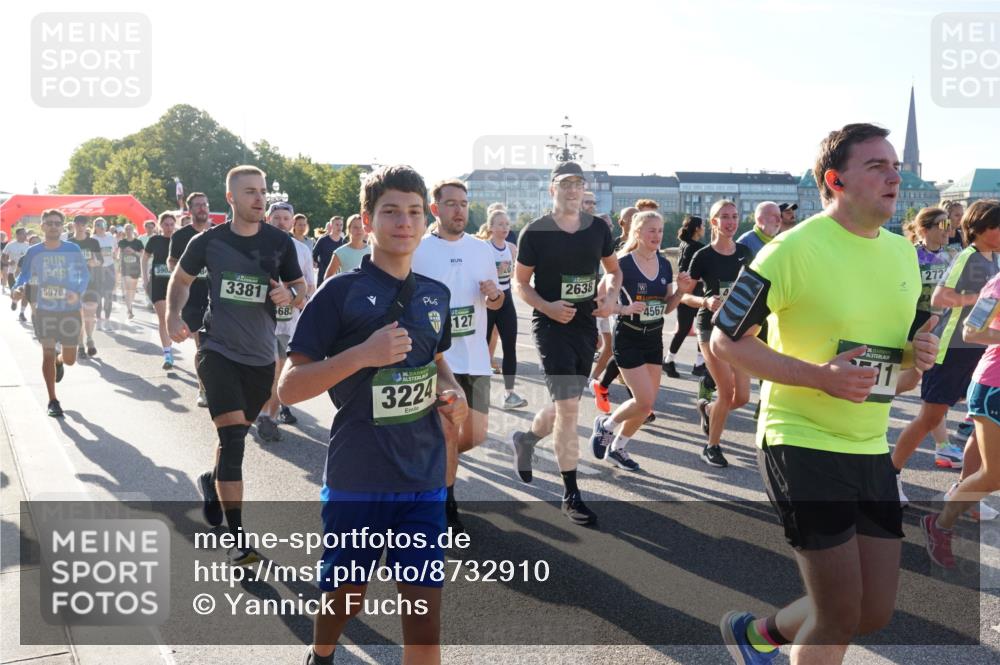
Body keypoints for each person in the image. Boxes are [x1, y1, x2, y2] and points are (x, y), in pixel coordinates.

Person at [711, 123, 939, 664]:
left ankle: (759, 636)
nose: (894, 175)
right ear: (836, 181)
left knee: (871, 612)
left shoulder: (903, 254)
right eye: (876, 166)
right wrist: (820, 376)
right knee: (837, 613)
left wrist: (916, 362)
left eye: (894, 165)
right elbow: (725, 339)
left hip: (868, 446)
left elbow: (898, 376)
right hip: (801, 440)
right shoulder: (790, 249)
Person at [277, 165, 467, 665]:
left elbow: (436, 362)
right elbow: (290, 388)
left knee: (425, 619)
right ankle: (321, 654)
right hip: (358, 475)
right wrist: (363, 354)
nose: (403, 222)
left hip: (422, 477)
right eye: (390, 212)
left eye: (412, 212)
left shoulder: (435, 295)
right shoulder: (338, 293)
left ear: (425, 219)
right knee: (345, 597)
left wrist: (452, 394)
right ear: (368, 219)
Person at [167, 165, 305, 566]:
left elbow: (301, 289)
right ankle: (239, 539)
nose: (259, 198)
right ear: (230, 198)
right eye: (250, 192)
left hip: (262, 358)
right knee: (232, 442)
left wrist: (288, 295)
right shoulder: (209, 241)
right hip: (217, 350)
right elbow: (180, 279)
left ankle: (212, 481)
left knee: (236, 436)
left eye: (262, 191)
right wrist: (173, 316)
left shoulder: (280, 242)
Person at [510, 161, 620, 525]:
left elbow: (613, 270)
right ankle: (570, 492)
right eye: (565, 183)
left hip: (585, 325)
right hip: (551, 326)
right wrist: (548, 306)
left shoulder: (597, 228)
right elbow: (520, 283)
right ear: (552, 189)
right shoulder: (535, 232)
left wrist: (609, 295)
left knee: (563, 407)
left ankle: (527, 439)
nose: (573, 189)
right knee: (570, 410)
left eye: (579, 183)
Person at [891, 200, 1000, 517]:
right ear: (982, 229)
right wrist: (980, 299)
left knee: (983, 426)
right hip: (952, 348)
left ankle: (968, 492)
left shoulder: (992, 259)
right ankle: (889, 474)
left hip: (979, 352)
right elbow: (940, 297)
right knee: (931, 418)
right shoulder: (967, 258)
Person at [413, 179, 503, 533]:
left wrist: (495, 295)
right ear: (435, 209)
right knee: (449, 433)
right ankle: (445, 503)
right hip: (438, 361)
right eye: (451, 204)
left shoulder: (482, 250)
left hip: (476, 356)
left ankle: (434, 467)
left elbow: (496, 302)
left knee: (475, 435)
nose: (459, 210)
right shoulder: (418, 250)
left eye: (464, 203)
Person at [922, 203, 1000, 568]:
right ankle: (941, 520)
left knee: (982, 461)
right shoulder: (992, 277)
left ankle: (964, 494)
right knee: (993, 473)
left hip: (984, 374)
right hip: (986, 379)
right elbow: (971, 328)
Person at [590, 210, 694, 470]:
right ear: (637, 232)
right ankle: (606, 425)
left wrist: (681, 290)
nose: (657, 236)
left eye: (660, 231)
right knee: (644, 401)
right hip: (628, 338)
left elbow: (667, 307)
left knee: (646, 407)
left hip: (653, 339)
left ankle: (618, 448)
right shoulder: (622, 264)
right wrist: (624, 309)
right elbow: (599, 304)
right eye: (651, 230)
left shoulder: (664, 264)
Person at [682, 199, 753, 468]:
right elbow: (684, 296)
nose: (731, 221)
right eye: (724, 217)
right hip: (709, 328)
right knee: (726, 390)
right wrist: (705, 301)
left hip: (739, 329)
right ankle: (712, 446)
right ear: (713, 222)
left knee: (743, 397)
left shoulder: (746, 253)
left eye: (734, 216)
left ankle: (709, 409)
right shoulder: (703, 256)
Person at [12, 210, 88, 417]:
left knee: (71, 359)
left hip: (69, 310)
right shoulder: (34, 251)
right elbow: (24, 275)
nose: (54, 226)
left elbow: (84, 274)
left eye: (57, 223)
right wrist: (17, 288)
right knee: (46, 353)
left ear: (62, 227)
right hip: (44, 310)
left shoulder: (72, 249)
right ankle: (53, 400)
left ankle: (59, 359)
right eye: (49, 223)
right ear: (42, 226)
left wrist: (77, 292)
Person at [258, 202, 317, 436]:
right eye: (277, 218)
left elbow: (310, 286)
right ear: (268, 219)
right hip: (260, 319)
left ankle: (269, 417)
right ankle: (261, 412)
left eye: (285, 218)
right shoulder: (259, 246)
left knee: (280, 370)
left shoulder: (302, 250)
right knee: (266, 370)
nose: (281, 222)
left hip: (288, 322)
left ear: (292, 223)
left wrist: (293, 297)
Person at [476, 208, 528, 409]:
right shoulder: (483, 248)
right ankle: (479, 393)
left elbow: (515, 277)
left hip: (506, 301)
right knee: (481, 348)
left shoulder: (512, 248)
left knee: (510, 346)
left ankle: (509, 394)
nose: (505, 227)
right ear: (490, 227)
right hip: (487, 302)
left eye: (507, 224)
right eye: (500, 224)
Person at [169, 192, 213, 407]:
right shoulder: (180, 236)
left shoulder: (218, 233)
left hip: (217, 296)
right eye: (197, 205)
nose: (202, 208)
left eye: (205, 204)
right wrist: (187, 273)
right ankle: (203, 388)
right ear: (190, 210)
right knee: (202, 346)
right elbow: (171, 263)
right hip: (193, 298)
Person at [663, 215, 706, 378]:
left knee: (683, 329)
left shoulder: (683, 245)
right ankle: (698, 363)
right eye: (703, 225)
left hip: (685, 291)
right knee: (702, 328)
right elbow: (691, 271)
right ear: (697, 228)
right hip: (695, 292)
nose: (704, 228)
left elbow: (683, 269)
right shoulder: (698, 247)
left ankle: (670, 360)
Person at [142, 212, 178, 369]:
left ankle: (169, 341)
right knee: (163, 318)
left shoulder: (179, 239)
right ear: (160, 225)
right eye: (166, 224)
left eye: (171, 224)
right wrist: (145, 279)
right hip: (158, 282)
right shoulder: (154, 240)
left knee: (173, 318)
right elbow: (144, 259)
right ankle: (168, 355)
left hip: (176, 284)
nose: (169, 227)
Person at [67, 217, 102, 356]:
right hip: (74, 284)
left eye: (83, 224)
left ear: (87, 226)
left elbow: (101, 260)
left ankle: (90, 339)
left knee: (90, 315)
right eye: (78, 224)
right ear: (74, 225)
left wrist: (95, 262)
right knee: (78, 315)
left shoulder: (93, 242)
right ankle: (80, 345)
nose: (81, 227)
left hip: (92, 282)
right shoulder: (69, 243)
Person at [324, 214, 370, 278]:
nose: (359, 230)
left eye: (361, 227)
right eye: (355, 227)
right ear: (349, 229)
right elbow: (328, 277)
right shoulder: (340, 252)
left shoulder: (372, 251)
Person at [91, 218, 117, 327]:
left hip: (109, 267)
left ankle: (107, 318)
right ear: (95, 226)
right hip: (97, 269)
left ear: (106, 225)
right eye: (98, 224)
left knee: (108, 294)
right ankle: (98, 317)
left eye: (103, 224)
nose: (101, 226)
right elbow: (90, 255)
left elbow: (115, 251)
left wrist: (113, 255)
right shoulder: (92, 239)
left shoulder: (111, 237)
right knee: (98, 294)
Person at [3, 227, 30, 322]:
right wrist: (9, 261)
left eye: (25, 233)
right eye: (22, 233)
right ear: (17, 235)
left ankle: (21, 313)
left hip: (24, 273)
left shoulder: (29, 245)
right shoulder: (10, 245)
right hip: (12, 273)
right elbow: (3, 258)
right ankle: (14, 300)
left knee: (23, 292)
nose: (25, 235)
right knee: (15, 293)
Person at [117, 224, 143, 319]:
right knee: (128, 289)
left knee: (132, 290)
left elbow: (142, 254)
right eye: (126, 229)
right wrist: (119, 265)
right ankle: (129, 309)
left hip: (135, 269)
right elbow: (119, 255)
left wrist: (133, 252)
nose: (128, 231)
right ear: (125, 231)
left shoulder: (138, 242)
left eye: (130, 229)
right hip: (125, 268)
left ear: (133, 230)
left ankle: (130, 305)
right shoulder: (122, 242)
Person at [313, 216, 346, 280]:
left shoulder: (344, 242)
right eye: (337, 225)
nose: (339, 227)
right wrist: (319, 265)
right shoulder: (323, 240)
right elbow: (313, 255)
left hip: (339, 277)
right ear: (331, 226)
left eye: (341, 225)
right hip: (323, 277)